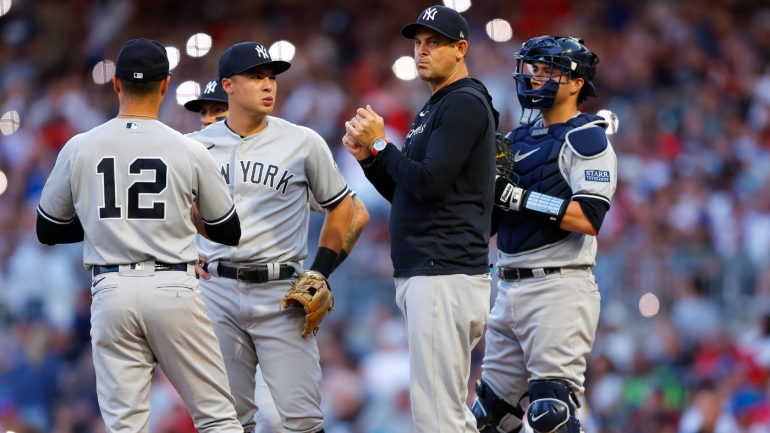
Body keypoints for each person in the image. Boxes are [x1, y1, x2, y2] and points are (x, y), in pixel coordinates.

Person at [35, 39, 243, 433]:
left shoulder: (80, 146)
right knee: (217, 418)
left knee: (125, 426)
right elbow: (228, 230)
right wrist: (178, 217)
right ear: (165, 85)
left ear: (116, 84)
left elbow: (47, 229)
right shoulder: (188, 148)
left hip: (110, 289)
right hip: (173, 284)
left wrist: (104, 222)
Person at [343, 6, 499, 433]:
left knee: (437, 419)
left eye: (434, 43)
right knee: (442, 415)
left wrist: (382, 145)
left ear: (460, 49)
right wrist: (373, 160)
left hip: (442, 270)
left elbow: (428, 183)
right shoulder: (437, 106)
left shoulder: (463, 102)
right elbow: (408, 195)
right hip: (434, 270)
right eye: (417, 43)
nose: (421, 51)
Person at [184, 77, 370, 433]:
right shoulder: (195, 150)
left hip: (279, 292)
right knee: (224, 419)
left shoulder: (286, 147)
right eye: (203, 111)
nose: (208, 119)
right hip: (218, 291)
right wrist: (186, 252)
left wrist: (319, 273)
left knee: (298, 418)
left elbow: (355, 213)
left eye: (216, 110)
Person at [471, 36, 616, 433]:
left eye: (547, 70)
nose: (534, 78)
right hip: (508, 286)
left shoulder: (588, 137)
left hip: (559, 286)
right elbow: (495, 221)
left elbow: (588, 216)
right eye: (531, 69)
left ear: (575, 82)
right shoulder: (514, 141)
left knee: (551, 412)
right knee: (488, 418)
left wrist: (516, 196)